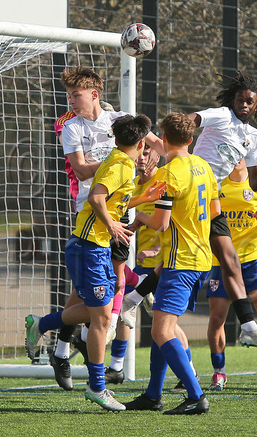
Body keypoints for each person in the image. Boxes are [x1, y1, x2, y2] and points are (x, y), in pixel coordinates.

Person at [120, 70, 257, 352]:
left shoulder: (253, 137)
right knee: (216, 259)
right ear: (232, 100)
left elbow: (254, 182)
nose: (244, 105)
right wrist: (163, 138)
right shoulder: (221, 115)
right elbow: (190, 122)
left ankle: (132, 299)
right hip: (189, 187)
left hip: (209, 196)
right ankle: (247, 326)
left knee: (220, 259)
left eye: (250, 102)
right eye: (240, 100)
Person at [25, 114, 166, 411]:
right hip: (89, 247)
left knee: (96, 313)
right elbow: (96, 198)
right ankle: (97, 387)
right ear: (142, 144)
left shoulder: (120, 161)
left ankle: (41, 325)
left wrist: (143, 198)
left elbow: (114, 201)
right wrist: (113, 226)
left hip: (95, 247)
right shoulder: (120, 165)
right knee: (101, 319)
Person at [48, 66, 164, 391]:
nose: (70, 100)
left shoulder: (121, 120)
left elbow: (160, 145)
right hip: (93, 213)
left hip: (121, 210)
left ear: (95, 94)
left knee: (94, 290)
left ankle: (67, 348)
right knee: (107, 288)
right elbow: (83, 171)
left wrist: (149, 156)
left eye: (76, 95)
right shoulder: (71, 127)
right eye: (68, 94)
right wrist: (123, 159)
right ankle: (119, 315)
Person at [123, 112, 217, 414]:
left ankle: (196, 396)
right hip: (200, 257)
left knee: (161, 331)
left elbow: (161, 223)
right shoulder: (204, 166)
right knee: (166, 329)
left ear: (163, 139)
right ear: (191, 140)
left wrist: (138, 219)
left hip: (182, 260)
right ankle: (152, 395)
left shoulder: (168, 174)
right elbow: (214, 211)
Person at [206, 158, 257, 393]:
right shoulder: (216, 184)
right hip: (220, 260)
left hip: (252, 259)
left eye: (239, 152)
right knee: (217, 318)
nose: (233, 157)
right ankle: (219, 372)